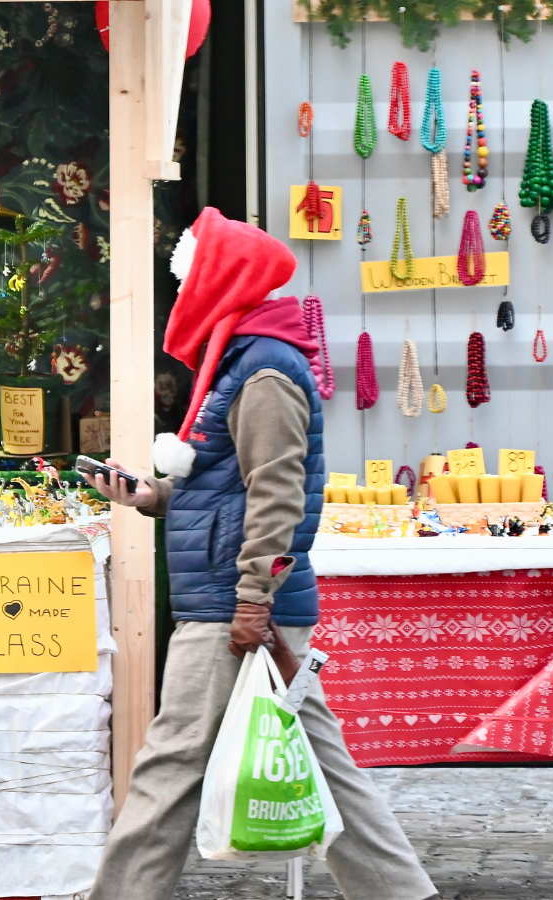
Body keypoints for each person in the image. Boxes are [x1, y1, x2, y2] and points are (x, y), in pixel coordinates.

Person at [82, 208, 439, 900]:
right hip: (239, 599)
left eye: (188, 280)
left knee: (169, 763)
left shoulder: (263, 372)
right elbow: (228, 486)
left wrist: (251, 601)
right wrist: (147, 496)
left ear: (221, 282)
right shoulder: (240, 362)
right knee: (330, 769)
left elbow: (280, 496)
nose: (181, 294)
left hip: (233, 606)